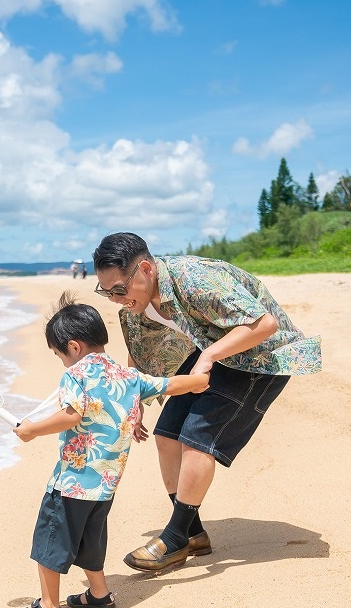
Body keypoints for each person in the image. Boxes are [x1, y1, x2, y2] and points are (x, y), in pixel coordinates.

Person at [91, 232, 322, 573]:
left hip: (260, 355)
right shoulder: (134, 304)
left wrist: (210, 356)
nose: (113, 298)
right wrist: (133, 398)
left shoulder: (195, 280)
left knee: (197, 442)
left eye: (118, 289)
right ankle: (192, 533)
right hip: (214, 350)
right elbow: (139, 348)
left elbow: (264, 324)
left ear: (144, 269)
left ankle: (173, 538)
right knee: (167, 435)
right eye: (104, 291)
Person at [8, 292, 210, 608]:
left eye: (59, 355)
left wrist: (33, 430)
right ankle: (98, 594)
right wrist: (200, 380)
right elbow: (170, 384)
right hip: (106, 483)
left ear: (73, 347)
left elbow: (71, 416)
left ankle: (47, 606)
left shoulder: (76, 374)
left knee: (51, 539)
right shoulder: (128, 376)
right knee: (92, 536)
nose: (63, 362)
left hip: (72, 481)